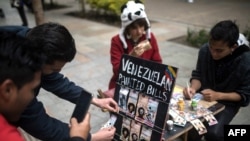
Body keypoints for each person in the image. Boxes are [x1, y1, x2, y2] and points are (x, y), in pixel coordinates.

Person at [0, 23, 118, 141]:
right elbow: (41, 124)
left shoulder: (30, 42)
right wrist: (88, 137)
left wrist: (94, 100)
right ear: (8, 89)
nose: (33, 98)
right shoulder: (7, 135)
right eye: (32, 89)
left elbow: (56, 81)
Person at [183, 20, 250, 141]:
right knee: (190, 128)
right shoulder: (205, 50)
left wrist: (218, 95)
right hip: (203, 98)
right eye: (211, 47)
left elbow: (244, 95)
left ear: (233, 47)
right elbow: (198, 75)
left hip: (228, 103)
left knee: (214, 133)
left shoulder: (245, 60)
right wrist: (193, 88)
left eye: (219, 50)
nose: (213, 53)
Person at [108, 0, 162, 90]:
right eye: (134, 28)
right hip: (123, 84)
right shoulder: (116, 41)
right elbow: (117, 70)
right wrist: (130, 57)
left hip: (145, 84)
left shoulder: (150, 37)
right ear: (127, 28)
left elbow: (158, 63)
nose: (139, 31)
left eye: (141, 26)